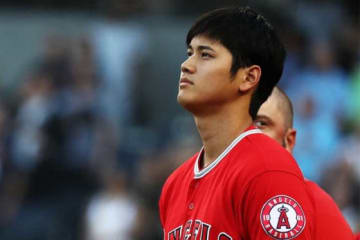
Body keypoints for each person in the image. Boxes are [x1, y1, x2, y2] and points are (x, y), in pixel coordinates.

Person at [159, 7, 315, 239]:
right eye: (189, 53)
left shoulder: (267, 170)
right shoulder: (174, 184)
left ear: (249, 77)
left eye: (206, 54)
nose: (187, 65)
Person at [254, 86, 354, 239]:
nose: (249, 134)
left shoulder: (310, 206)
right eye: (243, 125)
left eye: (261, 124)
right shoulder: (213, 182)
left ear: (288, 141)